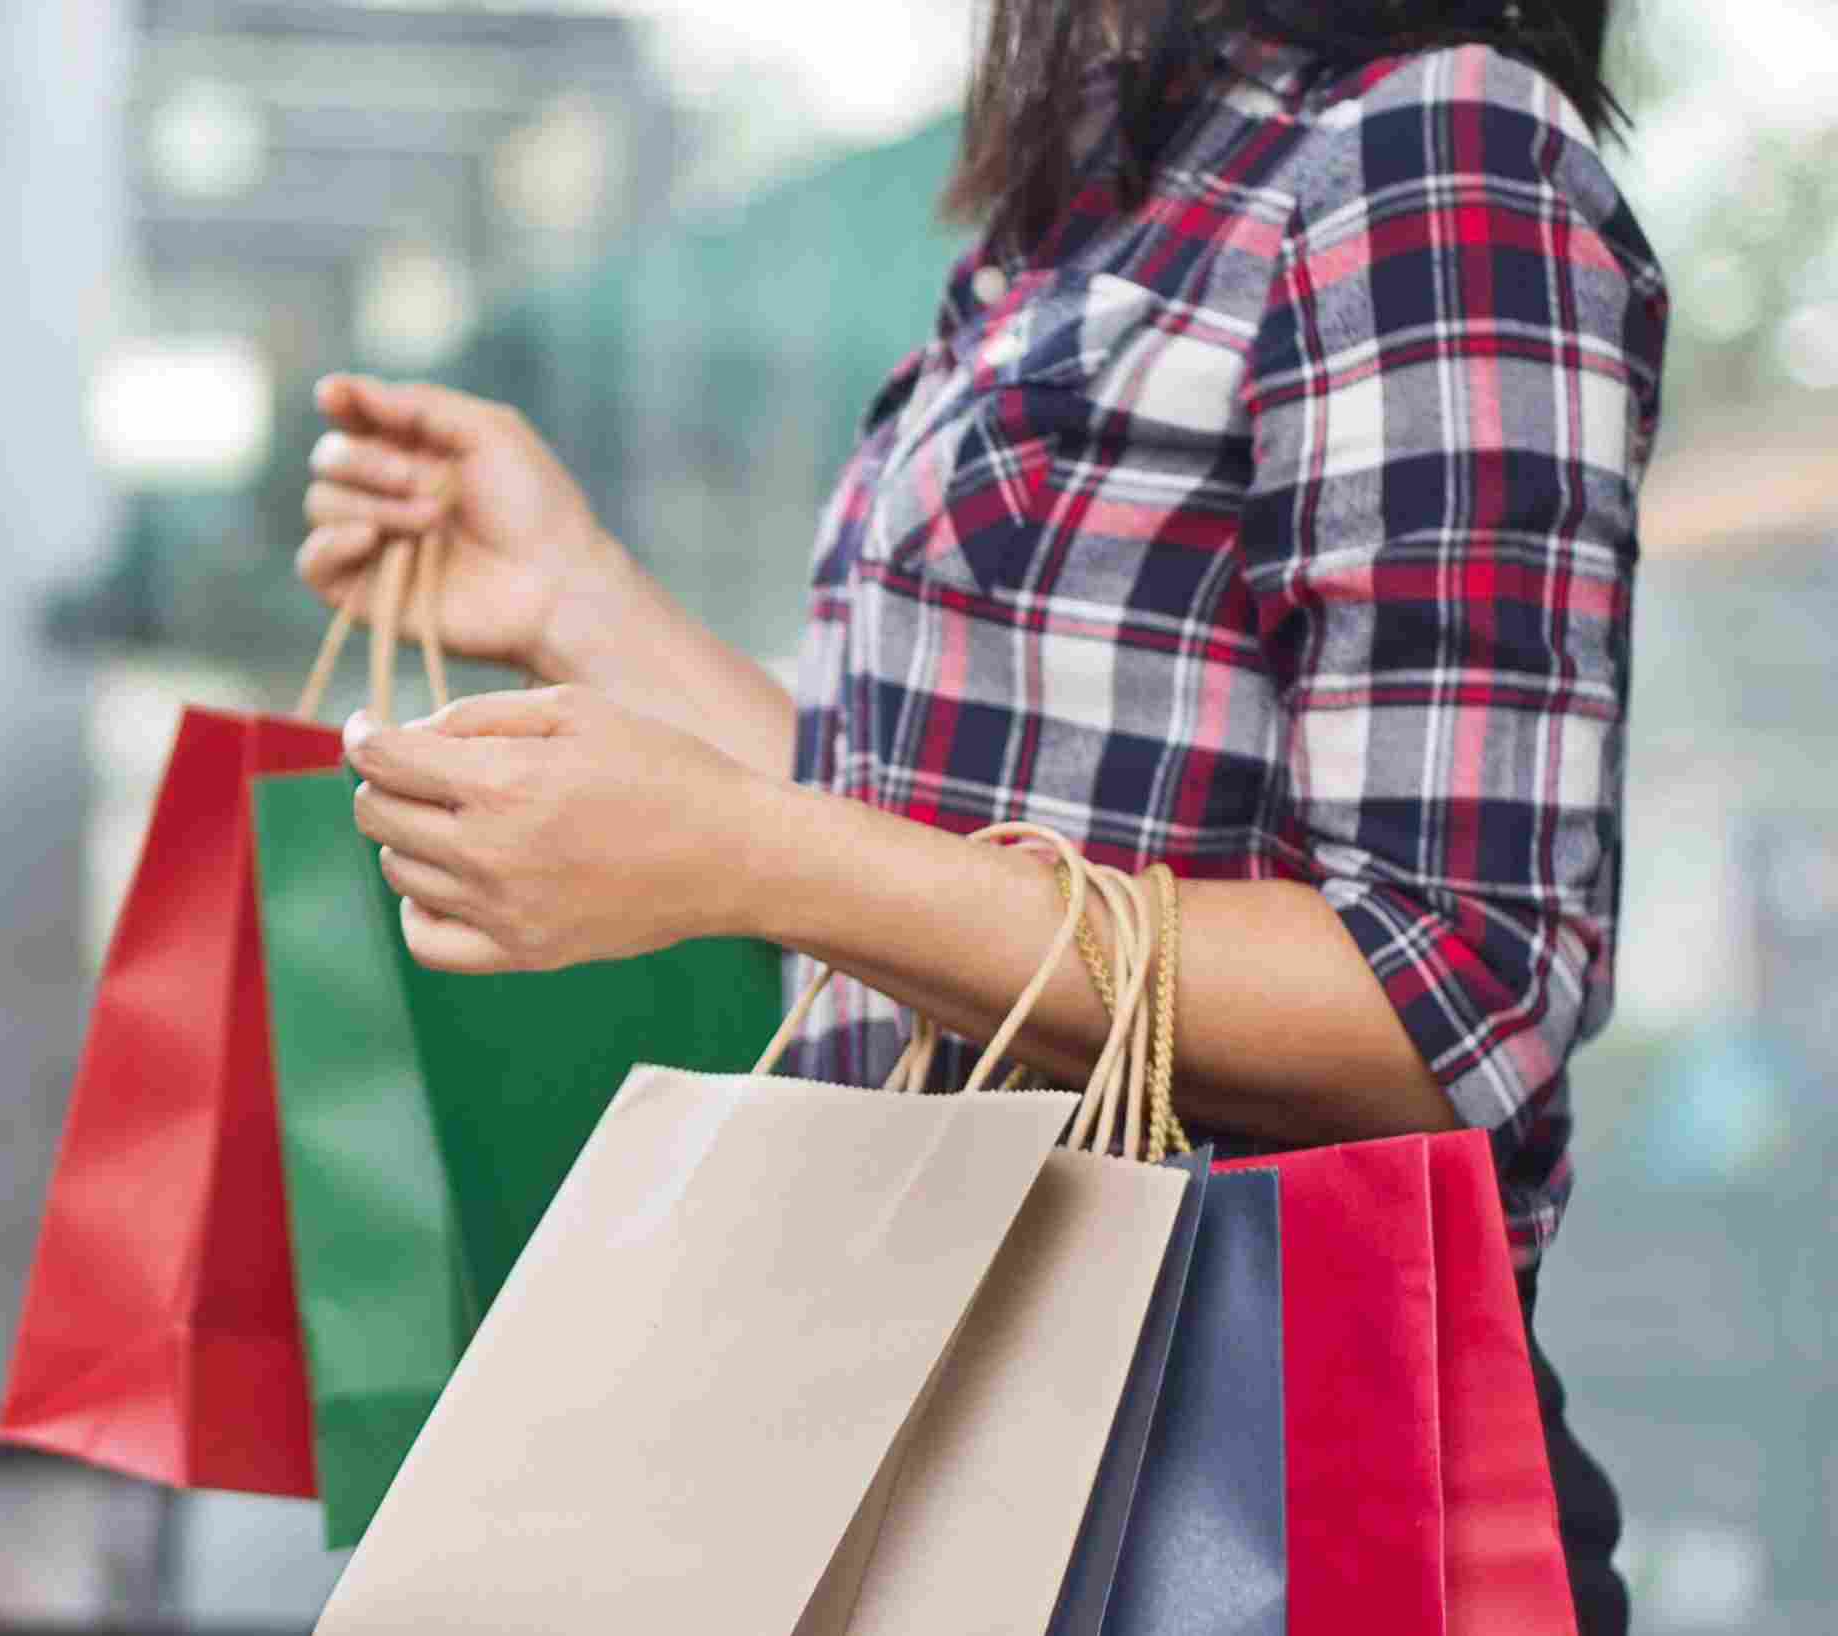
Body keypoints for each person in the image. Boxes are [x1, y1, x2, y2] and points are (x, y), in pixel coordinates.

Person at [294, 2, 1661, 1626]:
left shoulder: (1437, 156)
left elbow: (1450, 990)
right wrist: (576, 603)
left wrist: (753, 859)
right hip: (955, 1403)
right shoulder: (1133, 172)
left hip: (1237, 1478)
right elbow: (941, 817)